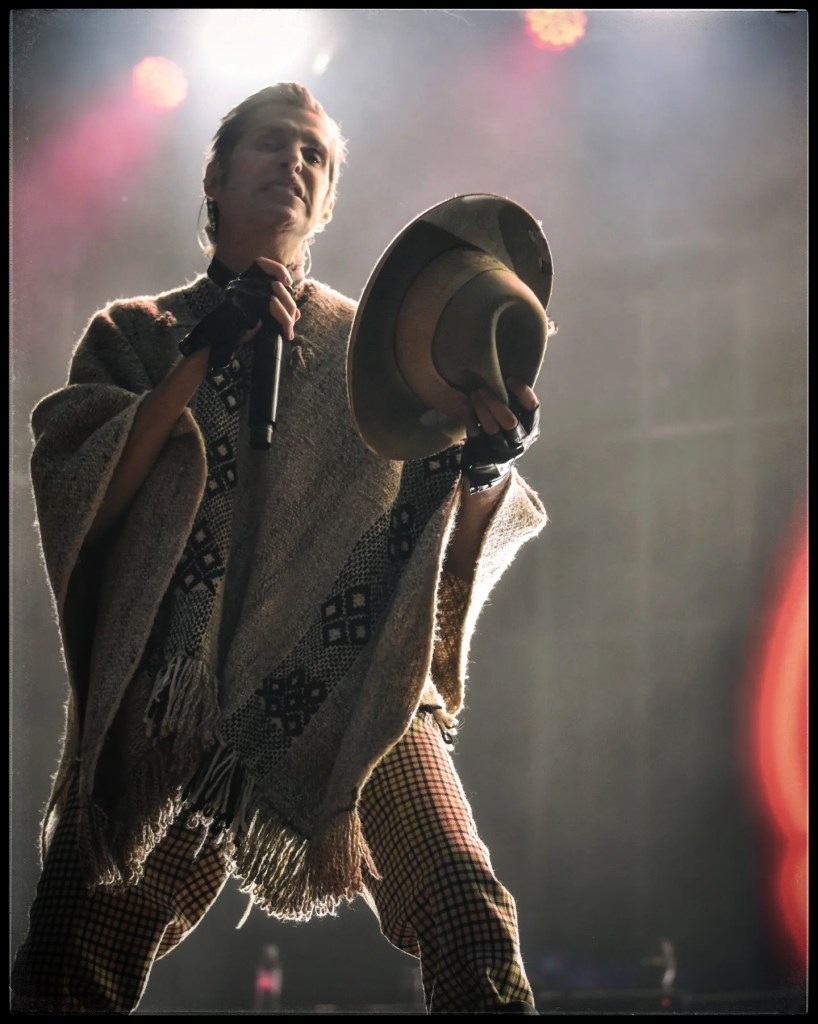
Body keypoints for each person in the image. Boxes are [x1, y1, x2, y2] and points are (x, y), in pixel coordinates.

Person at [11, 81, 552, 1015]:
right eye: (272, 143)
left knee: (466, 909)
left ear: (328, 201)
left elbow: (441, 552)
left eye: (315, 155)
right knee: (66, 964)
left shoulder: (388, 354)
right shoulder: (136, 333)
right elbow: (83, 498)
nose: (293, 162)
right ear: (215, 178)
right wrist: (201, 355)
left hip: (355, 688)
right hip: (175, 699)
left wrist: (485, 470)